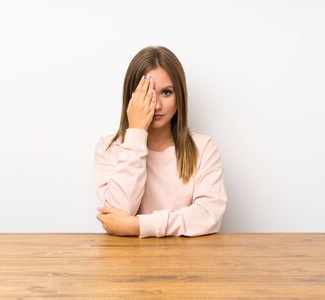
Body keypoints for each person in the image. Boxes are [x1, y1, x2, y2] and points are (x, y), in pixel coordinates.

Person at [94, 45, 228, 238]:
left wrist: (139, 226)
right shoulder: (110, 148)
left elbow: (208, 216)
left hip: (188, 260)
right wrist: (136, 132)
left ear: (179, 95)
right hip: (127, 261)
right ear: (131, 96)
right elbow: (117, 215)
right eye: (146, 92)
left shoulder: (204, 148)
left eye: (166, 92)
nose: (156, 105)